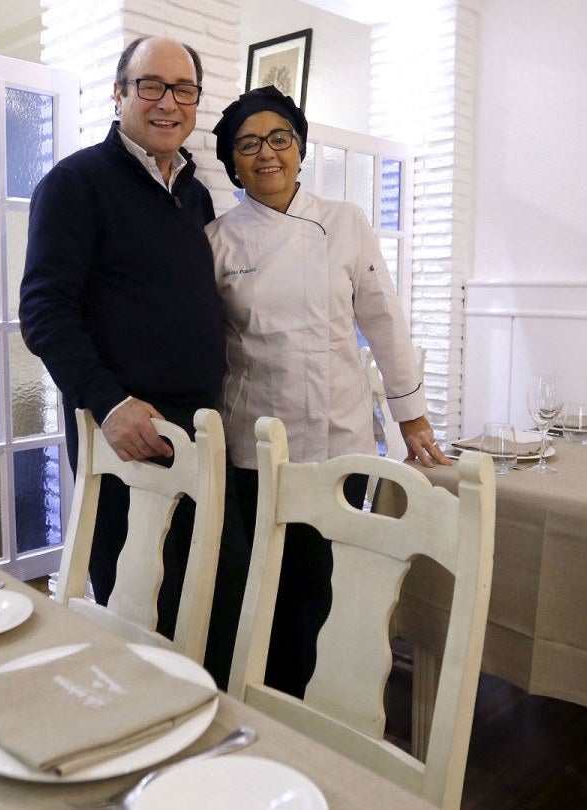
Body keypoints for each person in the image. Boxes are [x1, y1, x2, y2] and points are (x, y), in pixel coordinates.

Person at [207, 86, 450, 696]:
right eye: (248, 144)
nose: (267, 153)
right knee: (267, 581)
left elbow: (383, 318)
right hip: (256, 442)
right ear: (232, 161)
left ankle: (326, 702)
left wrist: (412, 416)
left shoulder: (345, 222)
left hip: (341, 434)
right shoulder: (218, 239)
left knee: (327, 578)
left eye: (279, 138)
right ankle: (269, 701)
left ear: (299, 147)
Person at [18, 36, 246, 687]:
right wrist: (109, 403)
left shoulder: (195, 195)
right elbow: (43, 312)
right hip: (127, 433)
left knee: (219, 603)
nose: (168, 102)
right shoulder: (75, 184)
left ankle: (212, 740)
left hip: (202, 431)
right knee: (138, 618)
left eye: (184, 89)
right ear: (119, 94)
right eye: (151, 85)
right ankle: (138, 739)